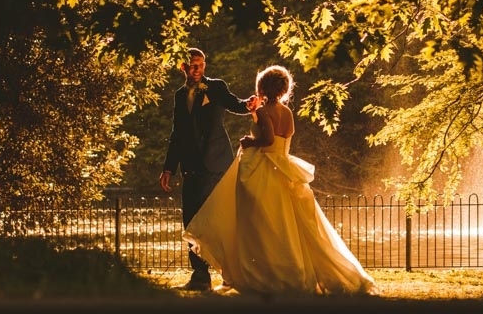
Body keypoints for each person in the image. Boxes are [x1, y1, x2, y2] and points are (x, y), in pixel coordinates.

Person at [182, 64, 378, 296]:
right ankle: (294, 269)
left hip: (264, 169)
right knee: (290, 224)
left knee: (259, 225)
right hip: (284, 166)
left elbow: (266, 139)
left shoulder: (266, 111)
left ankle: (264, 274)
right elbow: (279, 137)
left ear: (263, 87)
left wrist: (249, 141)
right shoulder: (287, 112)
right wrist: (258, 118)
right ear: (284, 89)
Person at [160, 47, 255, 290]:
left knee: (220, 221)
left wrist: (249, 104)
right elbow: (177, 133)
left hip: (217, 164)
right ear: (183, 67)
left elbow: (234, 103)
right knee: (192, 223)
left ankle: (230, 273)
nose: (197, 69)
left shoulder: (216, 87)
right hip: (191, 167)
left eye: (200, 65)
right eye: (192, 65)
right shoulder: (180, 96)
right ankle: (200, 277)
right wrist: (169, 168)